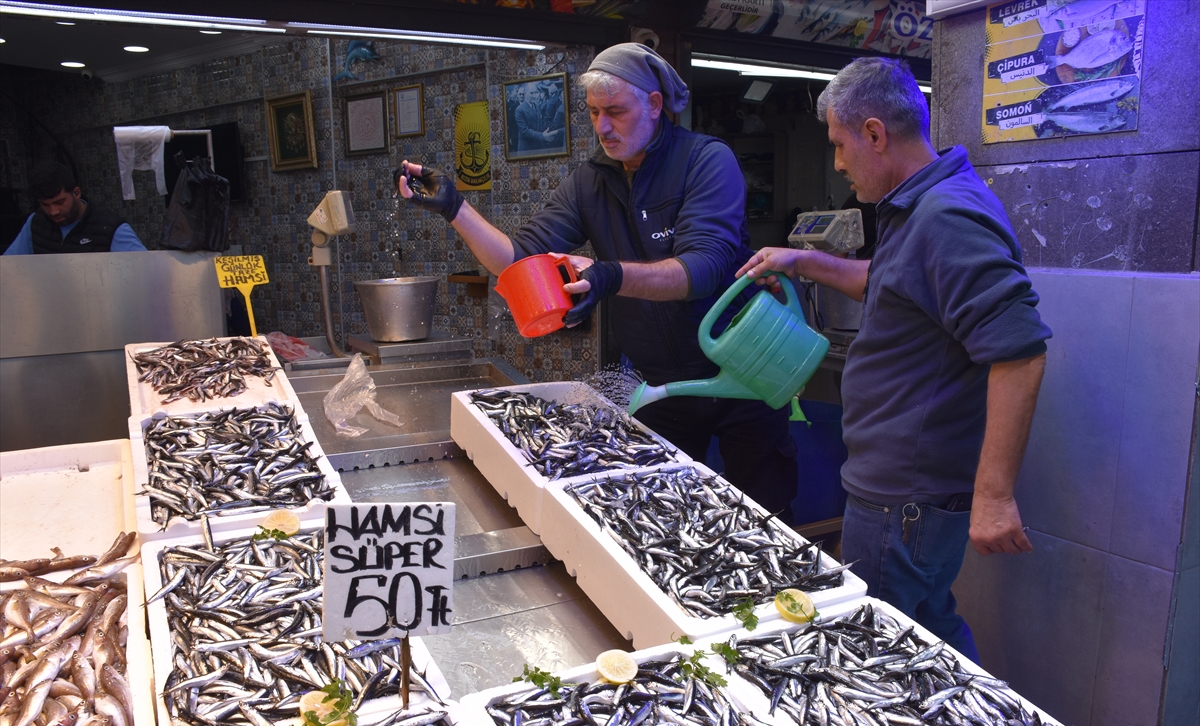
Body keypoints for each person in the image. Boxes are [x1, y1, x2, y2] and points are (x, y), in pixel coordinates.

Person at [396, 42, 798, 521]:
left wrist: (609, 275)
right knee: (661, 515)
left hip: (742, 378)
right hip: (664, 387)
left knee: (760, 518)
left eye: (615, 111)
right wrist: (456, 210)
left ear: (654, 105)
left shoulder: (706, 161)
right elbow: (516, 260)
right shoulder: (590, 181)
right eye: (592, 113)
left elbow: (702, 269)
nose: (602, 127)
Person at [739, 57, 1051, 661]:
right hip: (899, 493)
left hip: (905, 500)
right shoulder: (921, 204)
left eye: (838, 144)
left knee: (883, 655)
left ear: (875, 133)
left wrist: (994, 495)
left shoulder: (947, 217)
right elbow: (886, 281)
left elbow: (1020, 352)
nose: (836, 163)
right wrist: (801, 261)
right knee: (927, 632)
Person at [4, 162, 146, 255]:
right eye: (45, 205)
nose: (53, 211)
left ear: (76, 193)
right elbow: (10, 266)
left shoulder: (111, 228)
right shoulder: (35, 222)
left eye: (60, 202)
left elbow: (143, 271)